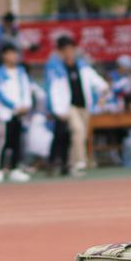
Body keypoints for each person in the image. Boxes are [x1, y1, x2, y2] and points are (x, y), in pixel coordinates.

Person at [45, 35, 109, 177]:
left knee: (80, 135)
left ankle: (70, 163)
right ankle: (80, 163)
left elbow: (100, 84)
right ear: (60, 52)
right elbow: (53, 90)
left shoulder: (82, 66)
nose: (68, 53)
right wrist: (56, 109)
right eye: (65, 50)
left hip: (84, 106)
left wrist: (103, 95)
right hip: (68, 107)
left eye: (71, 49)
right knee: (78, 131)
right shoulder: (56, 69)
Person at [0, 43, 33, 183]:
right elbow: (0, 94)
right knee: (4, 140)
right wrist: (14, 106)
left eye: (15, 53)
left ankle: (14, 168)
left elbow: (26, 90)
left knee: (17, 141)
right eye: (10, 53)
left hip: (20, 112)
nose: (13, 56)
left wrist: (26, 105)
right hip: (6, 113)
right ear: (4, 56)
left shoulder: (21, 72)